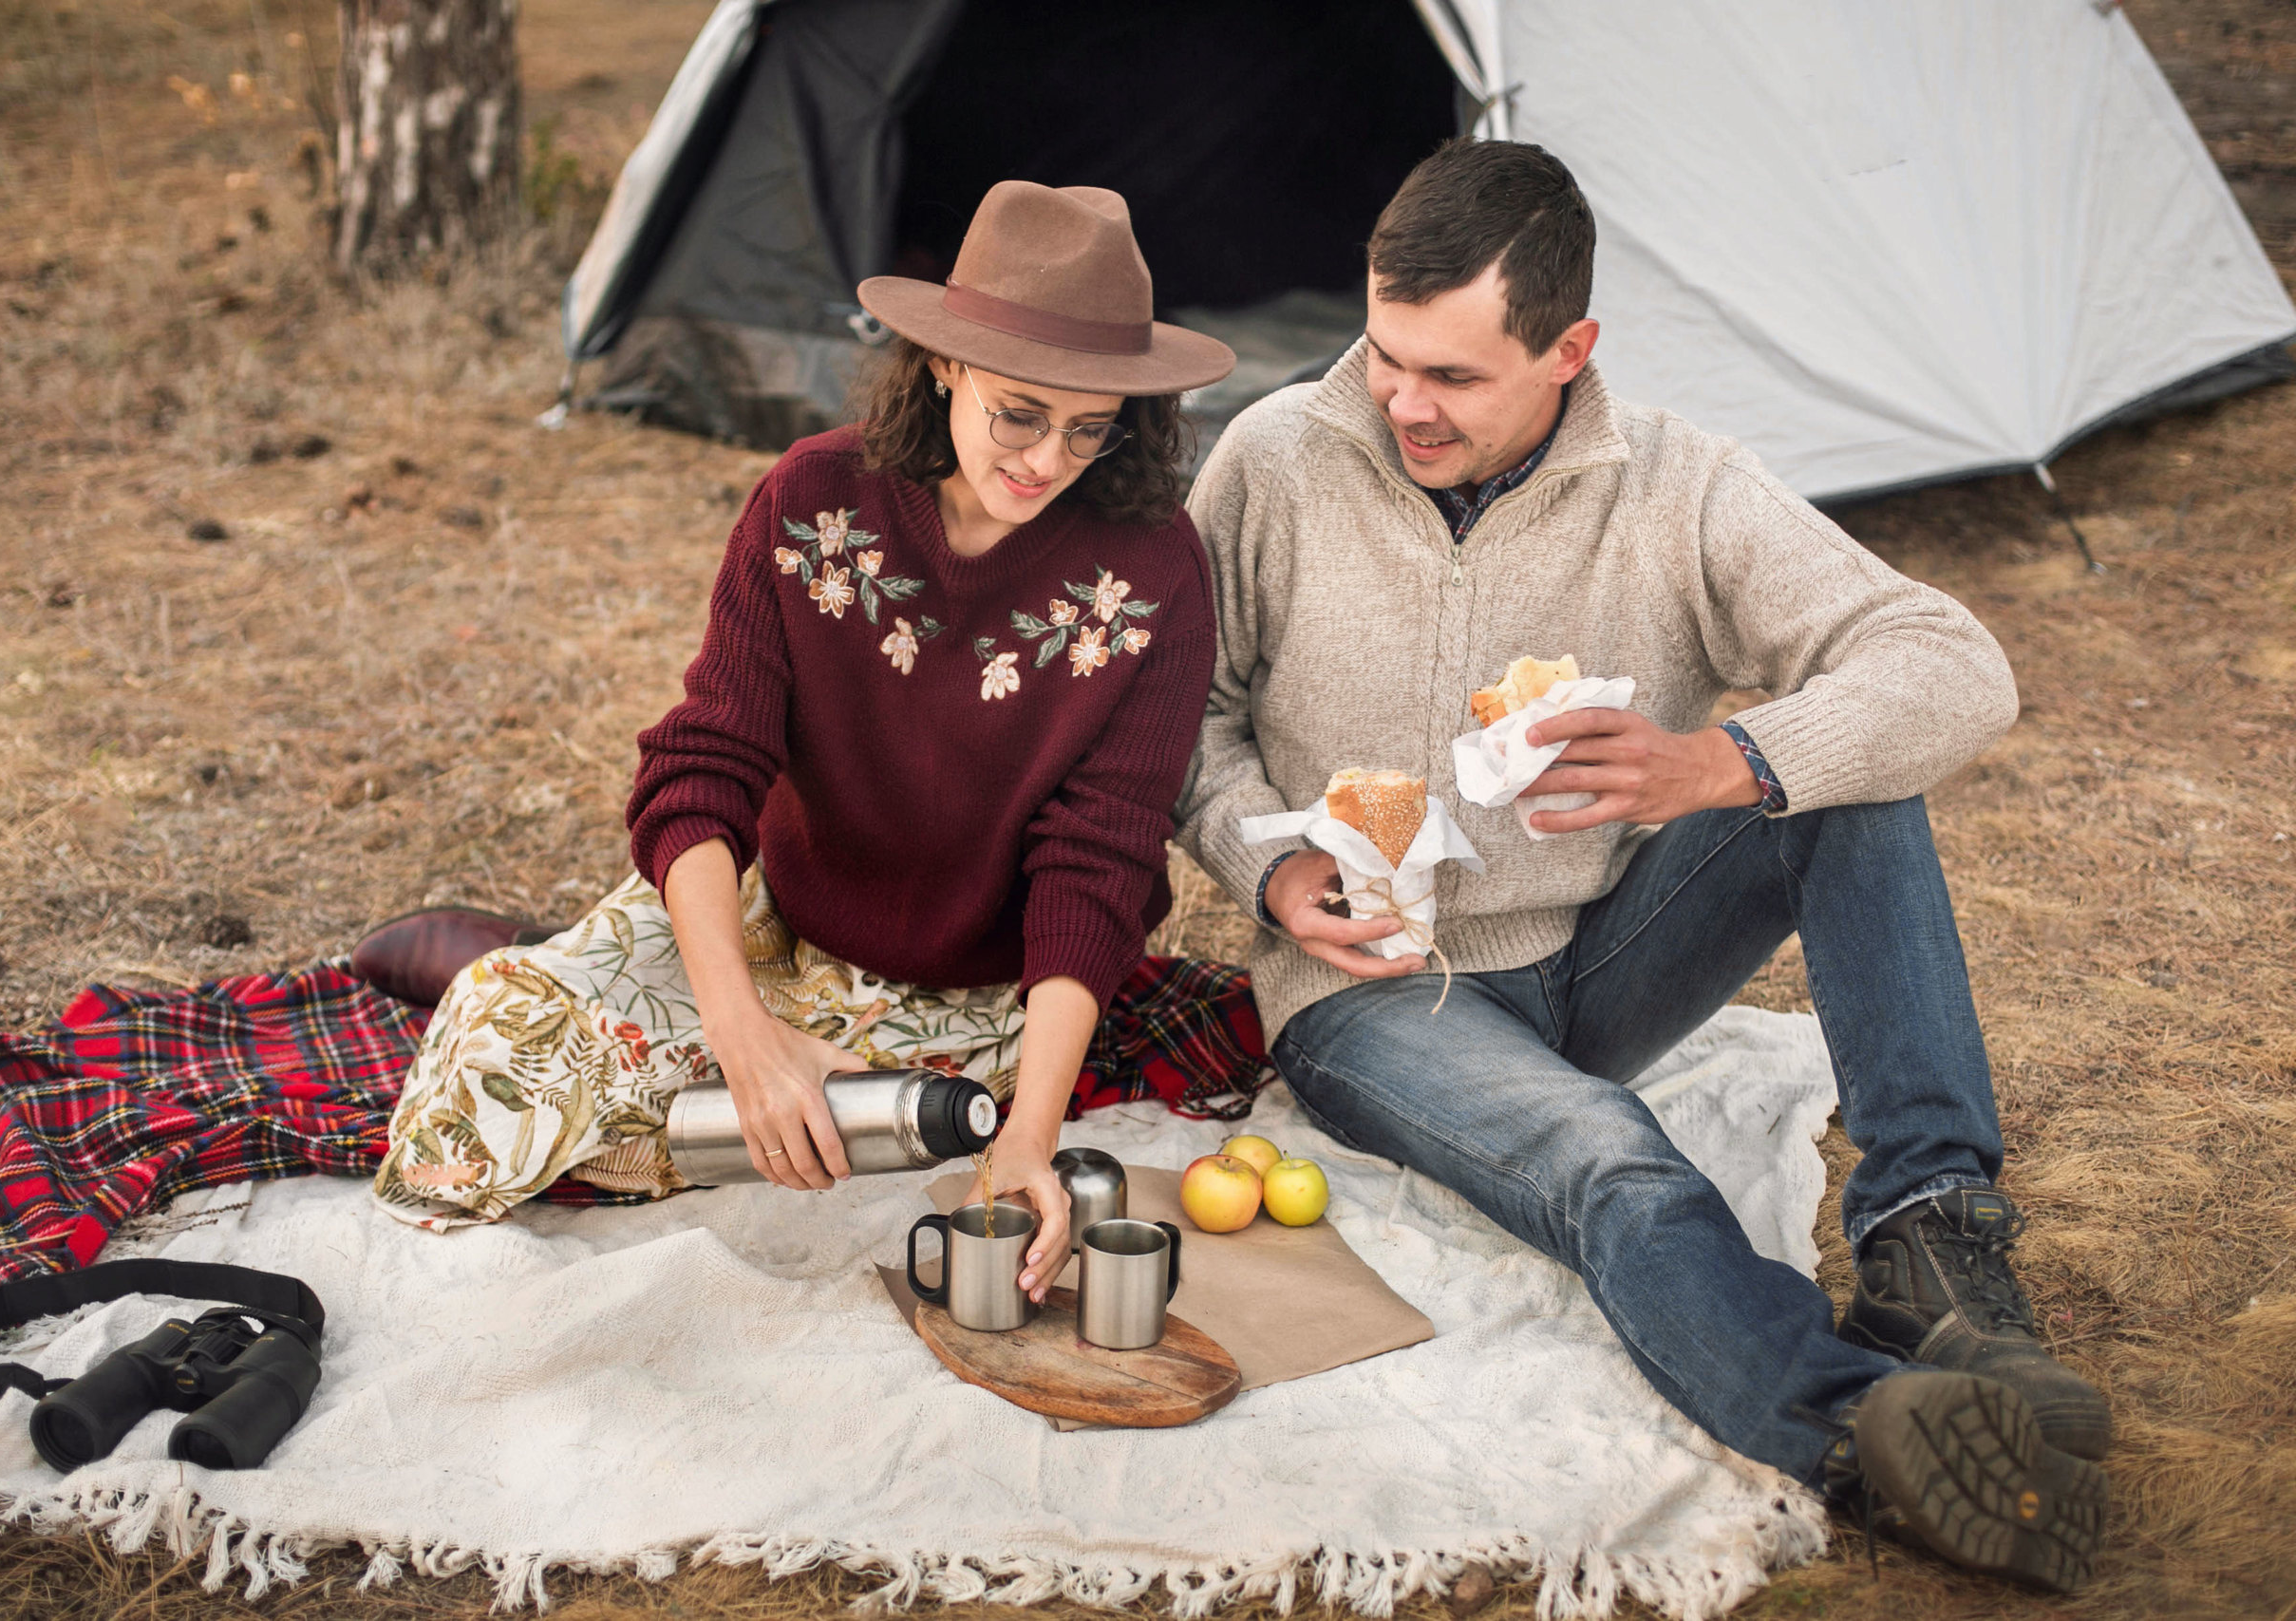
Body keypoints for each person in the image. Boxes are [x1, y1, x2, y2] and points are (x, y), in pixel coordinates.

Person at [1174, 141, 2112, 1590]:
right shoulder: (1276, 457)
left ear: (1570, 350)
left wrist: (1724, 763)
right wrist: (1265, 863)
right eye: (1385, 353)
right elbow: (1184, 720)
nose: (1401, 402)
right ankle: (1868, 1427)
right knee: (1614, 1159)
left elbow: (1952, 664)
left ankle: (1934, 1246)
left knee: (1852, 779)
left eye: (1455, 377)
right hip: (1370, 986)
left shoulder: (1680, 486)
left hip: (1601, 955)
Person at [368, 180, 1234, 1301]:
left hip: (975, 994)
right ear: (944, 363)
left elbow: (1103, 857)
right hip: (776, 925)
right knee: (491, 1050)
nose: (1045, 458)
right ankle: (558, 979)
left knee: (864, 1143)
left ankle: (635, 1031)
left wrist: (1032, 1129)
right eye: (1019, 413)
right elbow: (705, 765)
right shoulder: (813, 499)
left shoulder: (1156, 568)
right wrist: (739, 1032)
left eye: (1088, 428)